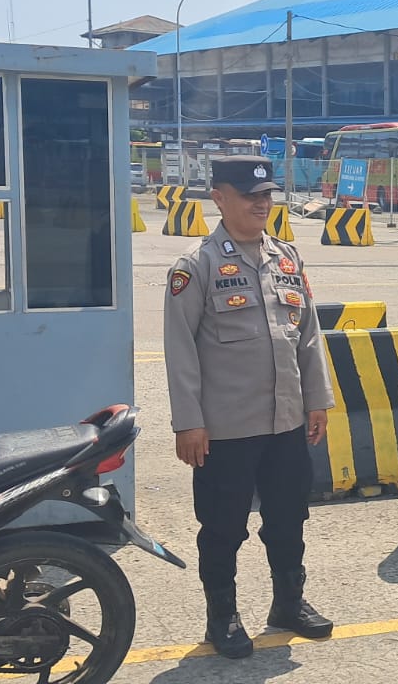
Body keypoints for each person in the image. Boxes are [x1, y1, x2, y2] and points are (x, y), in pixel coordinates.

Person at [164, 155, 337, 659]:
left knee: (288, 518)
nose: (262, 204)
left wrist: (317, 400)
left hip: (286, 422)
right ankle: (222, 615)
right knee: (223, 527)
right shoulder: (195, 266)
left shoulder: (286, 258)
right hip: (226, 429)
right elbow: (180, 349)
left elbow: (308, 335)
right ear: (219, 198)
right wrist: (188, 423)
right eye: (250, 196)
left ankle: (289, 603)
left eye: (266, 196)